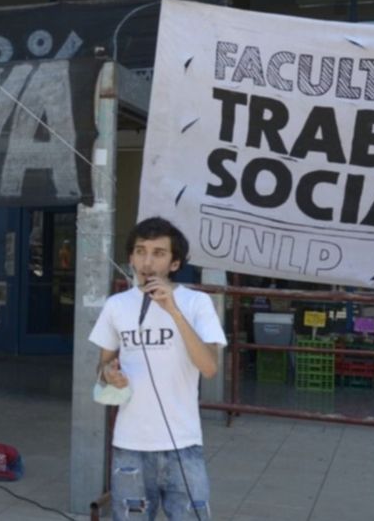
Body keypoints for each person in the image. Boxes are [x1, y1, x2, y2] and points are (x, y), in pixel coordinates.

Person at [90, 217, 226, 521]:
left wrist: (173, 311)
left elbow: (209, 367)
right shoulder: (116, 305)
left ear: (175, 263)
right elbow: (102, 365)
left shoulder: (197, 303)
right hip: (129, 445)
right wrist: (108, 373)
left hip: (184, 443)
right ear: (130, 258)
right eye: (140, 251)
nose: (147, 262)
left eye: (158, 253)